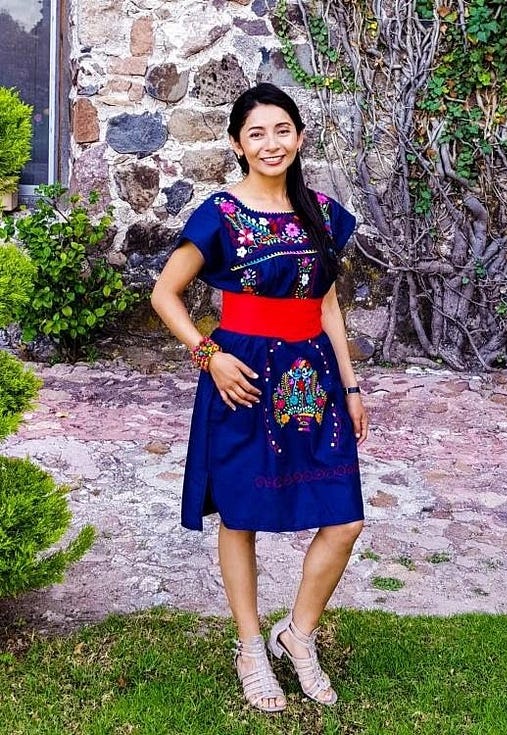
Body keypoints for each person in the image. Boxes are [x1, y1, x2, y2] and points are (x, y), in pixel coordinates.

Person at [151, 82, 368, 713]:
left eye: (282, 130)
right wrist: (209, 355)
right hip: (241, 377)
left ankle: (297, 634)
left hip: (312, 381)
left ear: (299, 136)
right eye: (256, 134)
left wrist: (351, 385)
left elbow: (326, 305)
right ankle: (250, 647)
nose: (271, 144)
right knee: (240, 516)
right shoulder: (219, 214)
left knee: (345, 518)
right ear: (237, 144)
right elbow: (165, 294)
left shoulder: (322, 213)